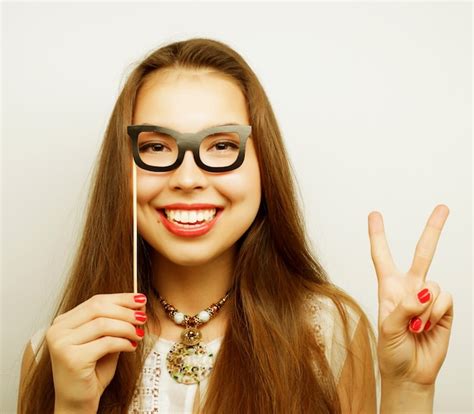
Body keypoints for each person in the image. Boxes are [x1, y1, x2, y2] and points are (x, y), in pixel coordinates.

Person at [17, 38, 453, 413]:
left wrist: (409, 389)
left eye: (223, 145)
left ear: (265, 165)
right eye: (154, 147)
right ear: (122, 169)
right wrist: (73, 406)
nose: (187, 179)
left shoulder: (330, 335)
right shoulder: (55, 354)